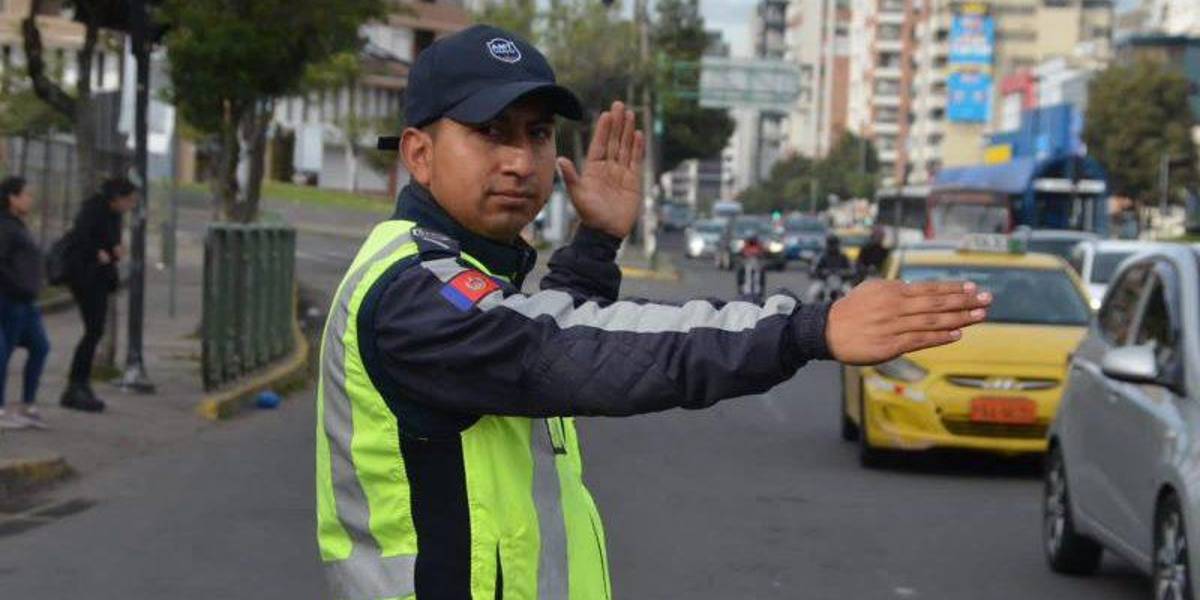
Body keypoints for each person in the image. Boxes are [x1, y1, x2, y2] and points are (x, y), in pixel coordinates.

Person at [315, 25, 991, 599]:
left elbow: (536, 349)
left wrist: (598, 244)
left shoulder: (471, 275)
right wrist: (804, 329)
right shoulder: (411, 291)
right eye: (490, 133)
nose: (522, 160)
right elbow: (560, 353)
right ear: (419, 154)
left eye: (540, 133)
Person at [61, 176, 137, 412]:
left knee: (95, 330)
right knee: (94, 329)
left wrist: (114, 251)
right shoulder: (93, 210)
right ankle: (76, 383)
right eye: (128, 200)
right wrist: (98, 252)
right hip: (85, 276)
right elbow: (82, 238)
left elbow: (111, 244)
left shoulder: (114, 216)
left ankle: (80, 383)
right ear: (116, 198)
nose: (130, 205)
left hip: (101, 277)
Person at [0, 177, 49, 429]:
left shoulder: (18, 225)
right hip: (11, 299)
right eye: (26, 194)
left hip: (26, 301)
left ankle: (27, 404)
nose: (31, 199)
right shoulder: (5, 226)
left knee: (40, 346)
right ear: (12, 197)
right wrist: (17, 285)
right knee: (3, 352)